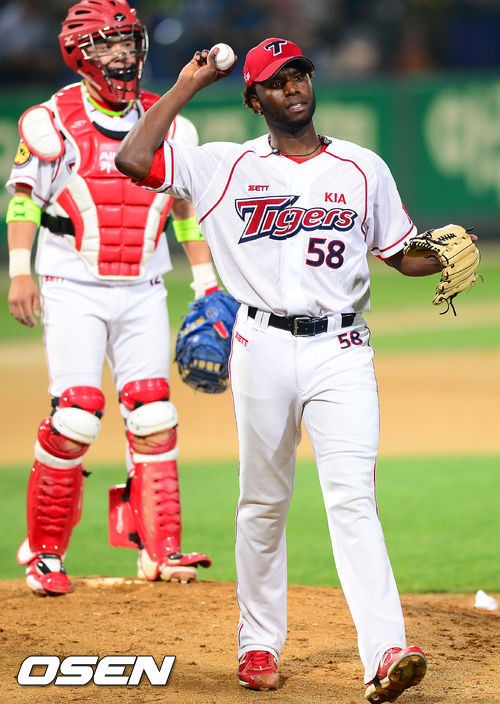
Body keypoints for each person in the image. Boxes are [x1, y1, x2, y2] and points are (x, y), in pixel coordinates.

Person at [114, 37, 465, 703]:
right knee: (262, 502)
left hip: (342, 350)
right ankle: (257, 643)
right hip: (261, 347)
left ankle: (386, 649)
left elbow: (400, 253)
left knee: (354, 499)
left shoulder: (362, 168)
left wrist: (444, 254)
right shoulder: (223, 166)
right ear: (255, 100)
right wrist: (187, 84)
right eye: (277, 81)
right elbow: (132, 158)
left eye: (299, 74)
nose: (294, 87)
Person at [6, 0, 218, 596]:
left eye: (128, 43)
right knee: (75, 416)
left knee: (153, 415)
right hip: (71, 284)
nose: (122, 56)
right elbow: (24, 200)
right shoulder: (53, 120)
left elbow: (183, 206)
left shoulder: (169, 120)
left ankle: (159, 548)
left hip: (143, 286)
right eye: (108, 45)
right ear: (80, 55)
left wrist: (205, 281)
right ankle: (44, 552)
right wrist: (19, 272)